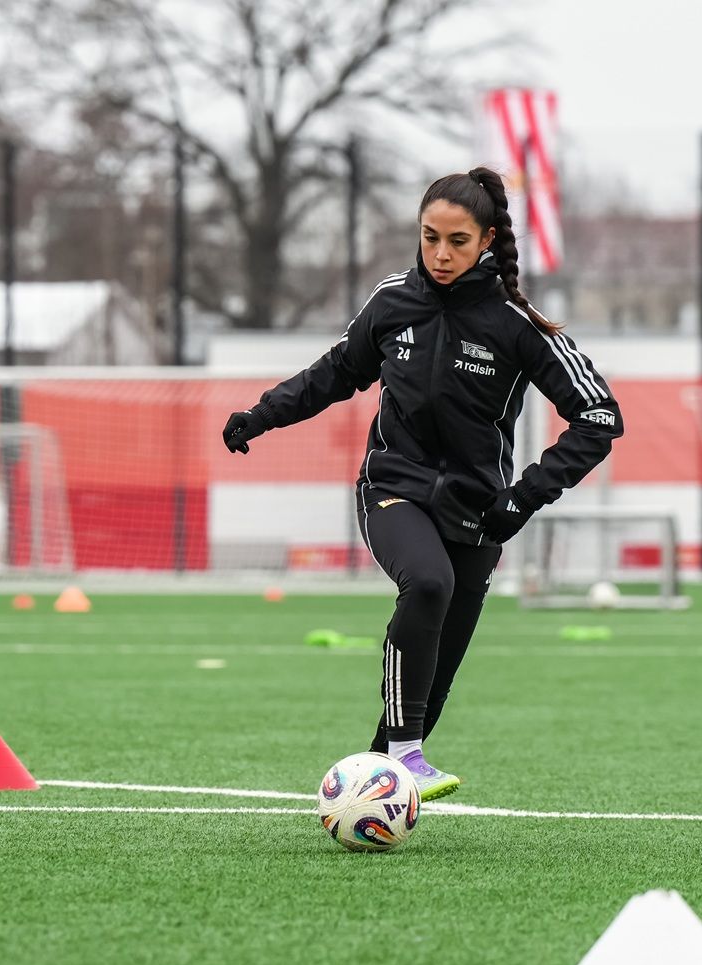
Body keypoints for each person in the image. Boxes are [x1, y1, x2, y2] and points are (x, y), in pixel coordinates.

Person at [222, 167, 623, 800]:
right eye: (430, 236)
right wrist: (261, 415)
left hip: (479, 514)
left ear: (487, 239)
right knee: (427, 583)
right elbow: (333, 373)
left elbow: (600, 418)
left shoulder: (517, 323)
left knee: (427, 693)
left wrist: (522, 497)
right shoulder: (392, 300)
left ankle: (373, 782)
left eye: (458, 241)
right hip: (392, 487)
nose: (440, 253)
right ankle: (403, 757)